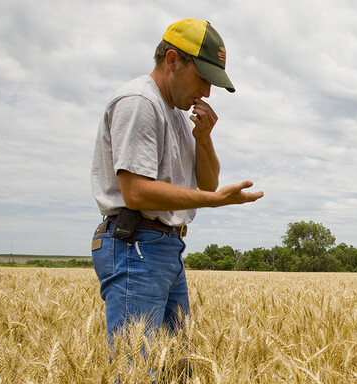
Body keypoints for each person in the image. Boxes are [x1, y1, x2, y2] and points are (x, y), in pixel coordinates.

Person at [90, 18, 263, 342]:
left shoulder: (177, 115)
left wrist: (204, 136)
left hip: (164, 246)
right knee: (137, 380)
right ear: (172, 60)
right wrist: (215, 202)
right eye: (203, 78)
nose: (207, 91)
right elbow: (137, 193)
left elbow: (208, 182)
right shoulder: (140, 102)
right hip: (136, 245)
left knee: (175, 375)